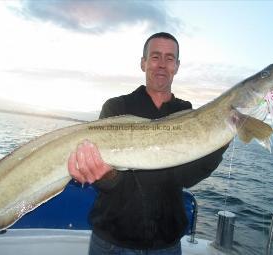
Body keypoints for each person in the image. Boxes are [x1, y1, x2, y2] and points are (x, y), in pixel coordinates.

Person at [68, 32, 228, 255]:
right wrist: (103, 174)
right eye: (155, 57)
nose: (162, 64)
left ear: (177, 66)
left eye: (169, 58)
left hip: (166, 244)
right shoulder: (116, 108)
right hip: (112, 241)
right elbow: (109, 184)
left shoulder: (186, 112)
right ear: (143, 63)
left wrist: (223, 136)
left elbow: (188, 178)